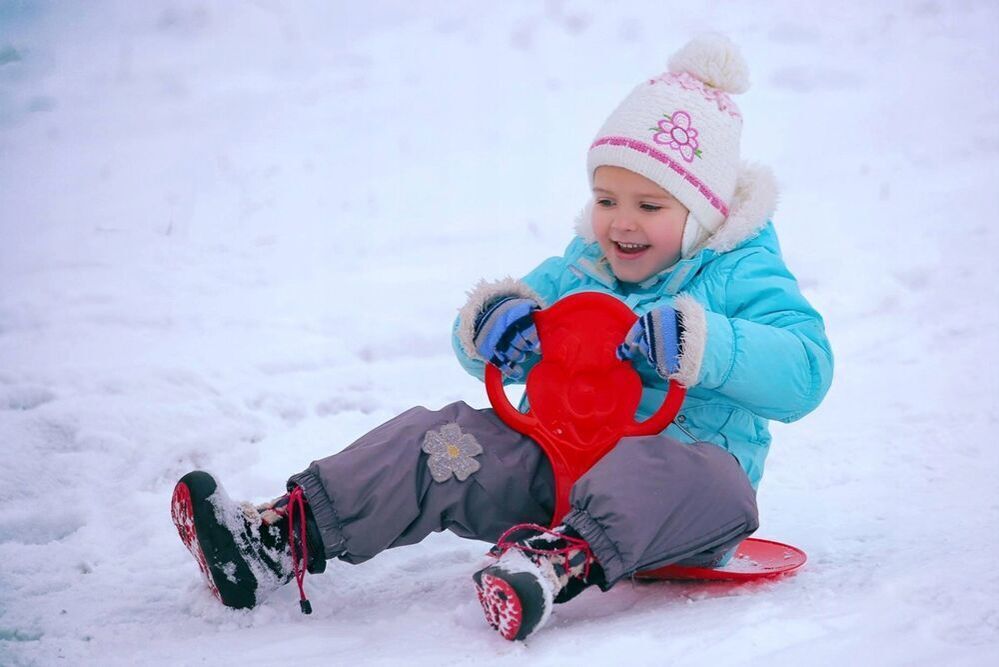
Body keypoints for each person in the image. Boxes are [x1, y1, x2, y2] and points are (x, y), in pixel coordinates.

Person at [171, 34, 833, 641]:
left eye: (648, 206)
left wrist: (704, 343)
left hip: (676, 503)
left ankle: (546, 567)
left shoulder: (741, 271)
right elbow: (480, 344)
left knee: (712, 483)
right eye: (605, 199)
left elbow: (806, 371)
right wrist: (494, 325)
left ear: (704, 212)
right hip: (559, 465)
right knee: (442, 440)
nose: (619, 224)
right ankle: (276, 538)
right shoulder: (581, 268)